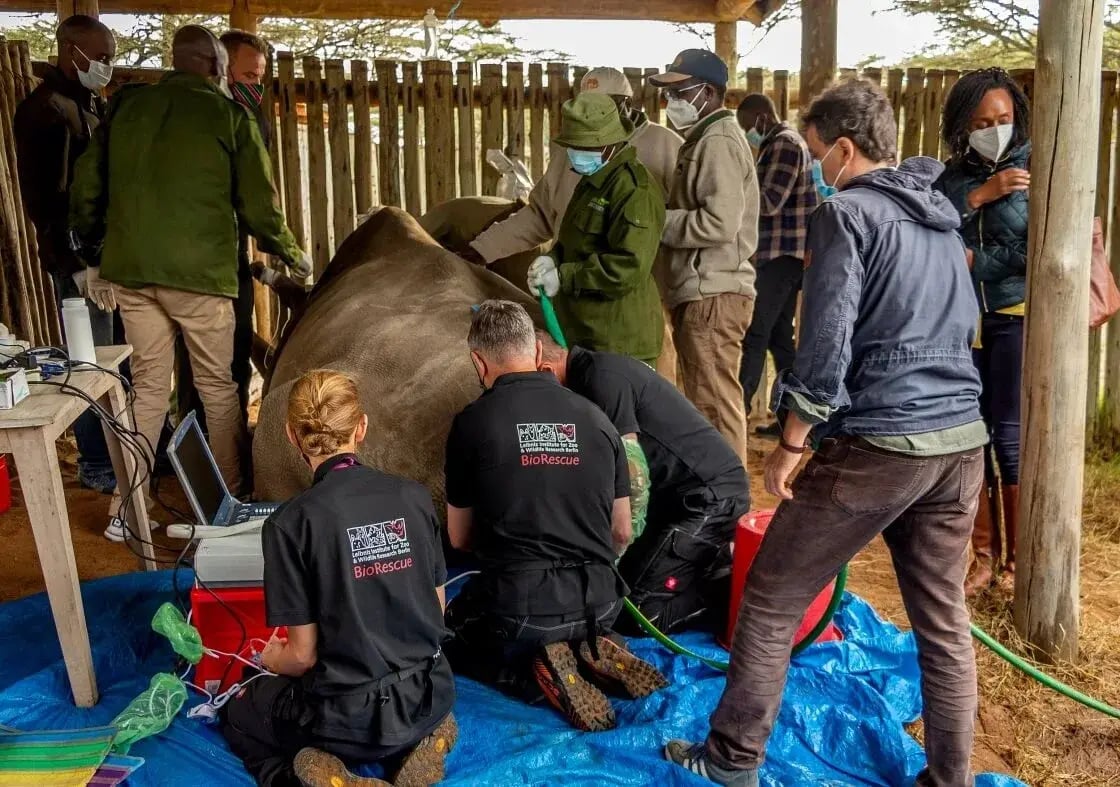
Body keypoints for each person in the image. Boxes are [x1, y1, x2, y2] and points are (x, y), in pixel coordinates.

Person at [664, 80, 986, 787]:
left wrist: (792, 439)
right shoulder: (939, 215)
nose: (813, 169)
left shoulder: (848, 215)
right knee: (943, 620)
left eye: (814, 154)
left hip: (885, 439)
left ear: (843, 148)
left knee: (772, 595)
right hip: (961, 439)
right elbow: (965, 318)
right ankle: (952, 778)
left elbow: (827, 338)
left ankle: (730, 760)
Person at [70, 25, 311, 522]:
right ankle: (231, 502)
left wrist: (93, 250)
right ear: (215, 66)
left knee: (150, 387)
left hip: (133, 275)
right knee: (219, 389)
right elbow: (258, 205)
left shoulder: (126, 108)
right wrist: (288, 250)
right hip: (200, 279)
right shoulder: (230, 116)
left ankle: (125, 509)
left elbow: (88, 183)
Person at [220, 370, 457, 787]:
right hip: (428, 693)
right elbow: (436, 611)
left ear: (292, 436)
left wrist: (269, 658)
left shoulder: (289, 524)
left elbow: (303, 657)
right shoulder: (414, 498)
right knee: (413, 704)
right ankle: (419, 738)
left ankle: (301, 776)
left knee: (239, 712)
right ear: (361, 427)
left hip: (346, 720)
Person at [442, 300, 666, 732]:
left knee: (460, 635)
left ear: (477, 361)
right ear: (539, 355)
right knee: (564, 616)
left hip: (522, 610)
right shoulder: (598, 419)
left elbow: (460, 538)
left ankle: (535, 669)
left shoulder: (472, 423)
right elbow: (622, 529)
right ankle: (591, 646)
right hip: (602, 601)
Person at [468, 67, 682, 381]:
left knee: (643, 400)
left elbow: (634, 258)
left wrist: (564, 274)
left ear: (622, 106)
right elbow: (543, 215)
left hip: (629, 311)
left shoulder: (659, 151)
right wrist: (485, 250)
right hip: (578, 311)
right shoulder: (578, 158)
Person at [537, 334, 750, 634]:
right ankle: (704, 564)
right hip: (671, 502)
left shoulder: (601, 379)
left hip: (711, 500)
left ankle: (732, 588)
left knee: (639, 614)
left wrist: (614, 548)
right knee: (616, 593)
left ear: (546, 370)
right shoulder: (587, 378)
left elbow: (633, 481)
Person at [13, 15, 122, 502]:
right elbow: (48, 200)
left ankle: (114, 456)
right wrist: (79, 265)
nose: (107, 66)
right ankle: (97, 464)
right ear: (71, 51)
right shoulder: (46, 111)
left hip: (100, 254)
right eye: (101, 57)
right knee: (89, 363)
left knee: (110, 362)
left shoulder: (85, 102)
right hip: (76, 260)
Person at [934, 68, 1030, 596]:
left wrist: (971, 258)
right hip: (963, 320)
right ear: (962, 125)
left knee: (1009, 437)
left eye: (1003, 120)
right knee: (971, 437)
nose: (994, 129)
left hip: (1013, 314)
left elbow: (1031, 254)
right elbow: (933, 229)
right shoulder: (951, 178)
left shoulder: (1036, 166)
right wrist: (978, 196)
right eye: (981, 122)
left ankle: (1018, 564)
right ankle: (983, 557)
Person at [650, 50, 759, 466]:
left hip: (713, 291)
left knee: (715, 406)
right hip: (705, 290)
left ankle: (728, 509)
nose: (670, 102)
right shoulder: (705, 137)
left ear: (708, 92)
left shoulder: (717, 141)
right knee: (707, 403)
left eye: (679, 92)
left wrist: (657, 222)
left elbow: (718, 224)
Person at [178, 29, 274, 440]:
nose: (256, 86)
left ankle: (230, 438)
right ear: (222, 71)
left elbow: (252, 193)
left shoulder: (254, 122)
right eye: (249, 76)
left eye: (260, 78)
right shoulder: (187, 119)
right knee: (195, 362)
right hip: (190, 261)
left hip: (230, 255)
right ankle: (197, 442)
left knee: (235, 352)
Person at [524, 92, 666, 365]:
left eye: (585, 146)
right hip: (584, 332)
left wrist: (564, 277)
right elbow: (574, 242)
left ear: (610, 145)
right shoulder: (592, 180)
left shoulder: (635, 190)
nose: (576, 153)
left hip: (619, 341)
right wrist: (550, 260)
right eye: (573, 145)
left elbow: (628, 267)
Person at [735, 94, 819, 438]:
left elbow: (768, 202)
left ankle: (735, 418)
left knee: (755, 333)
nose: (747, 134)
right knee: (781, 340)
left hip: (782, 256)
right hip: (786, 255)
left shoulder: (784, 144)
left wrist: (735, 188)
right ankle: (791, 422)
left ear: (761, 118)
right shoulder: (780, 143)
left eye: (747, 127)